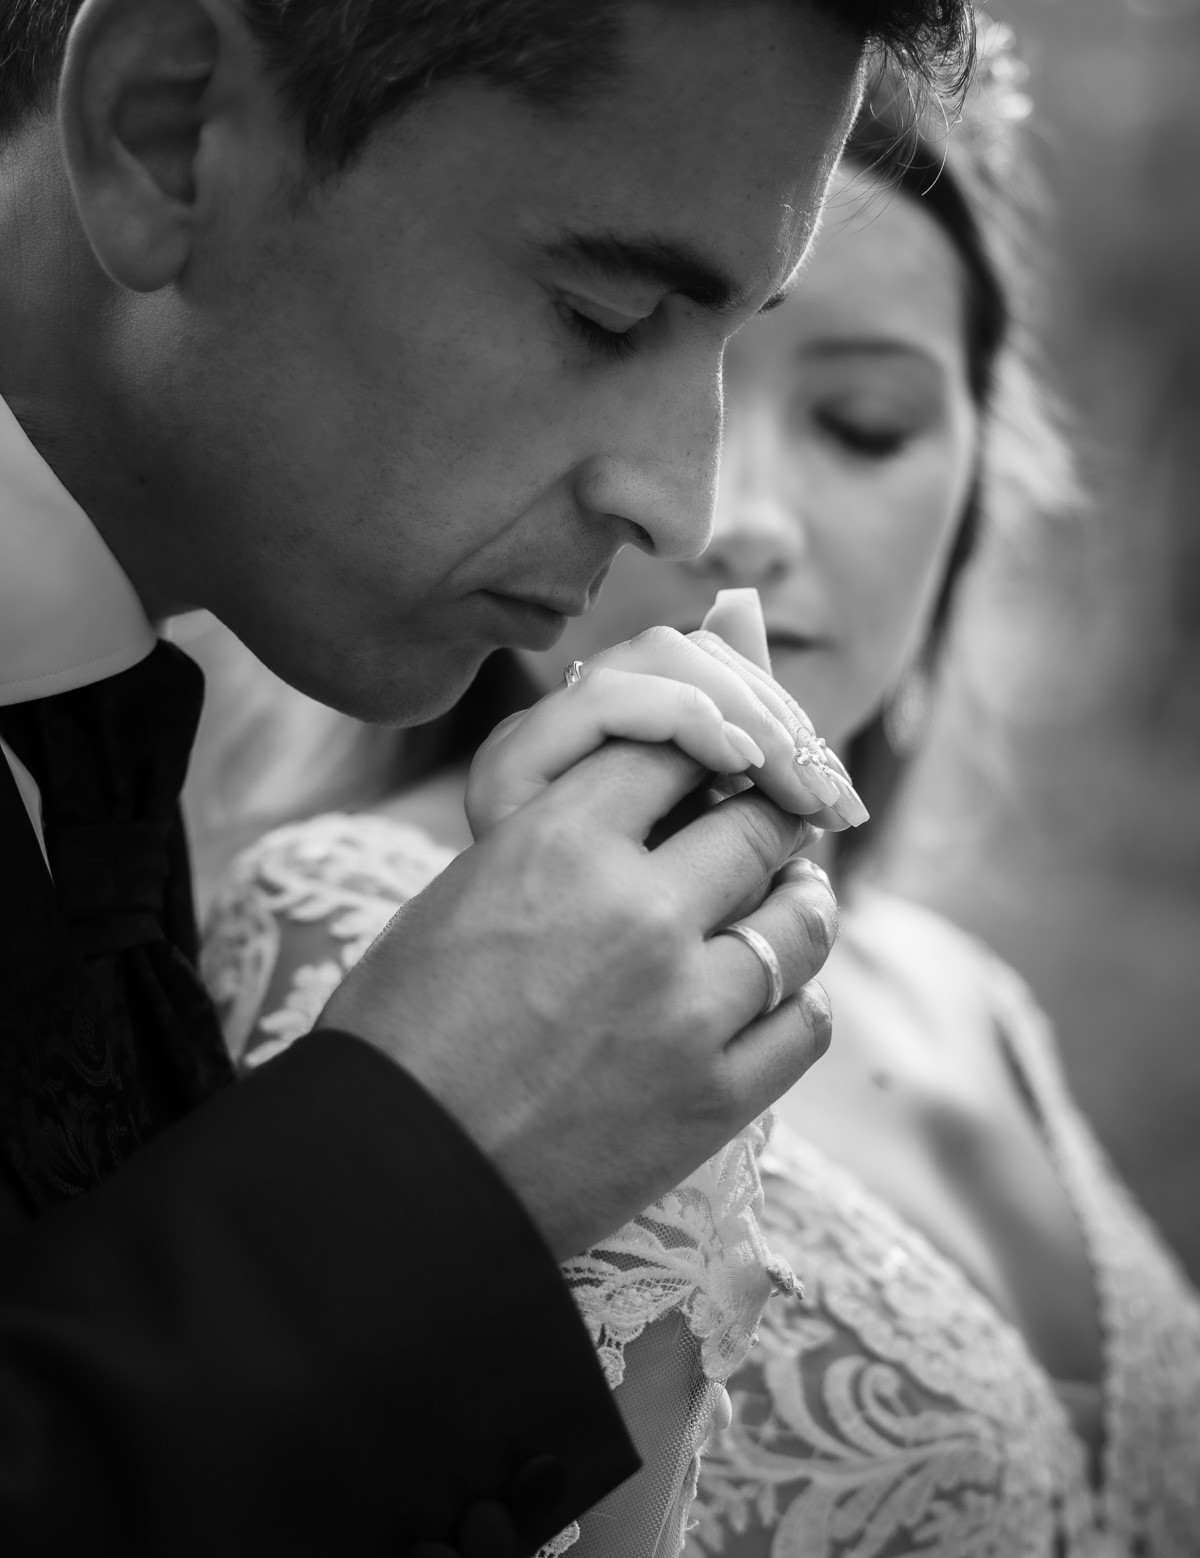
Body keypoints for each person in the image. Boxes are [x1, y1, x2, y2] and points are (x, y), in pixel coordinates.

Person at [195, 19, 1200, 1558]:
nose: (738, 509)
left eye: (865, 424)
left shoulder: (975, 1000)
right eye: (612, 333)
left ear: (981, 475)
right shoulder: (355, 926)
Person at [0, 1, 983, 1553]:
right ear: (165, 130)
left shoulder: (86, 741)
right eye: (602, 313)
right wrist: (424, 1155)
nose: (688, 505)